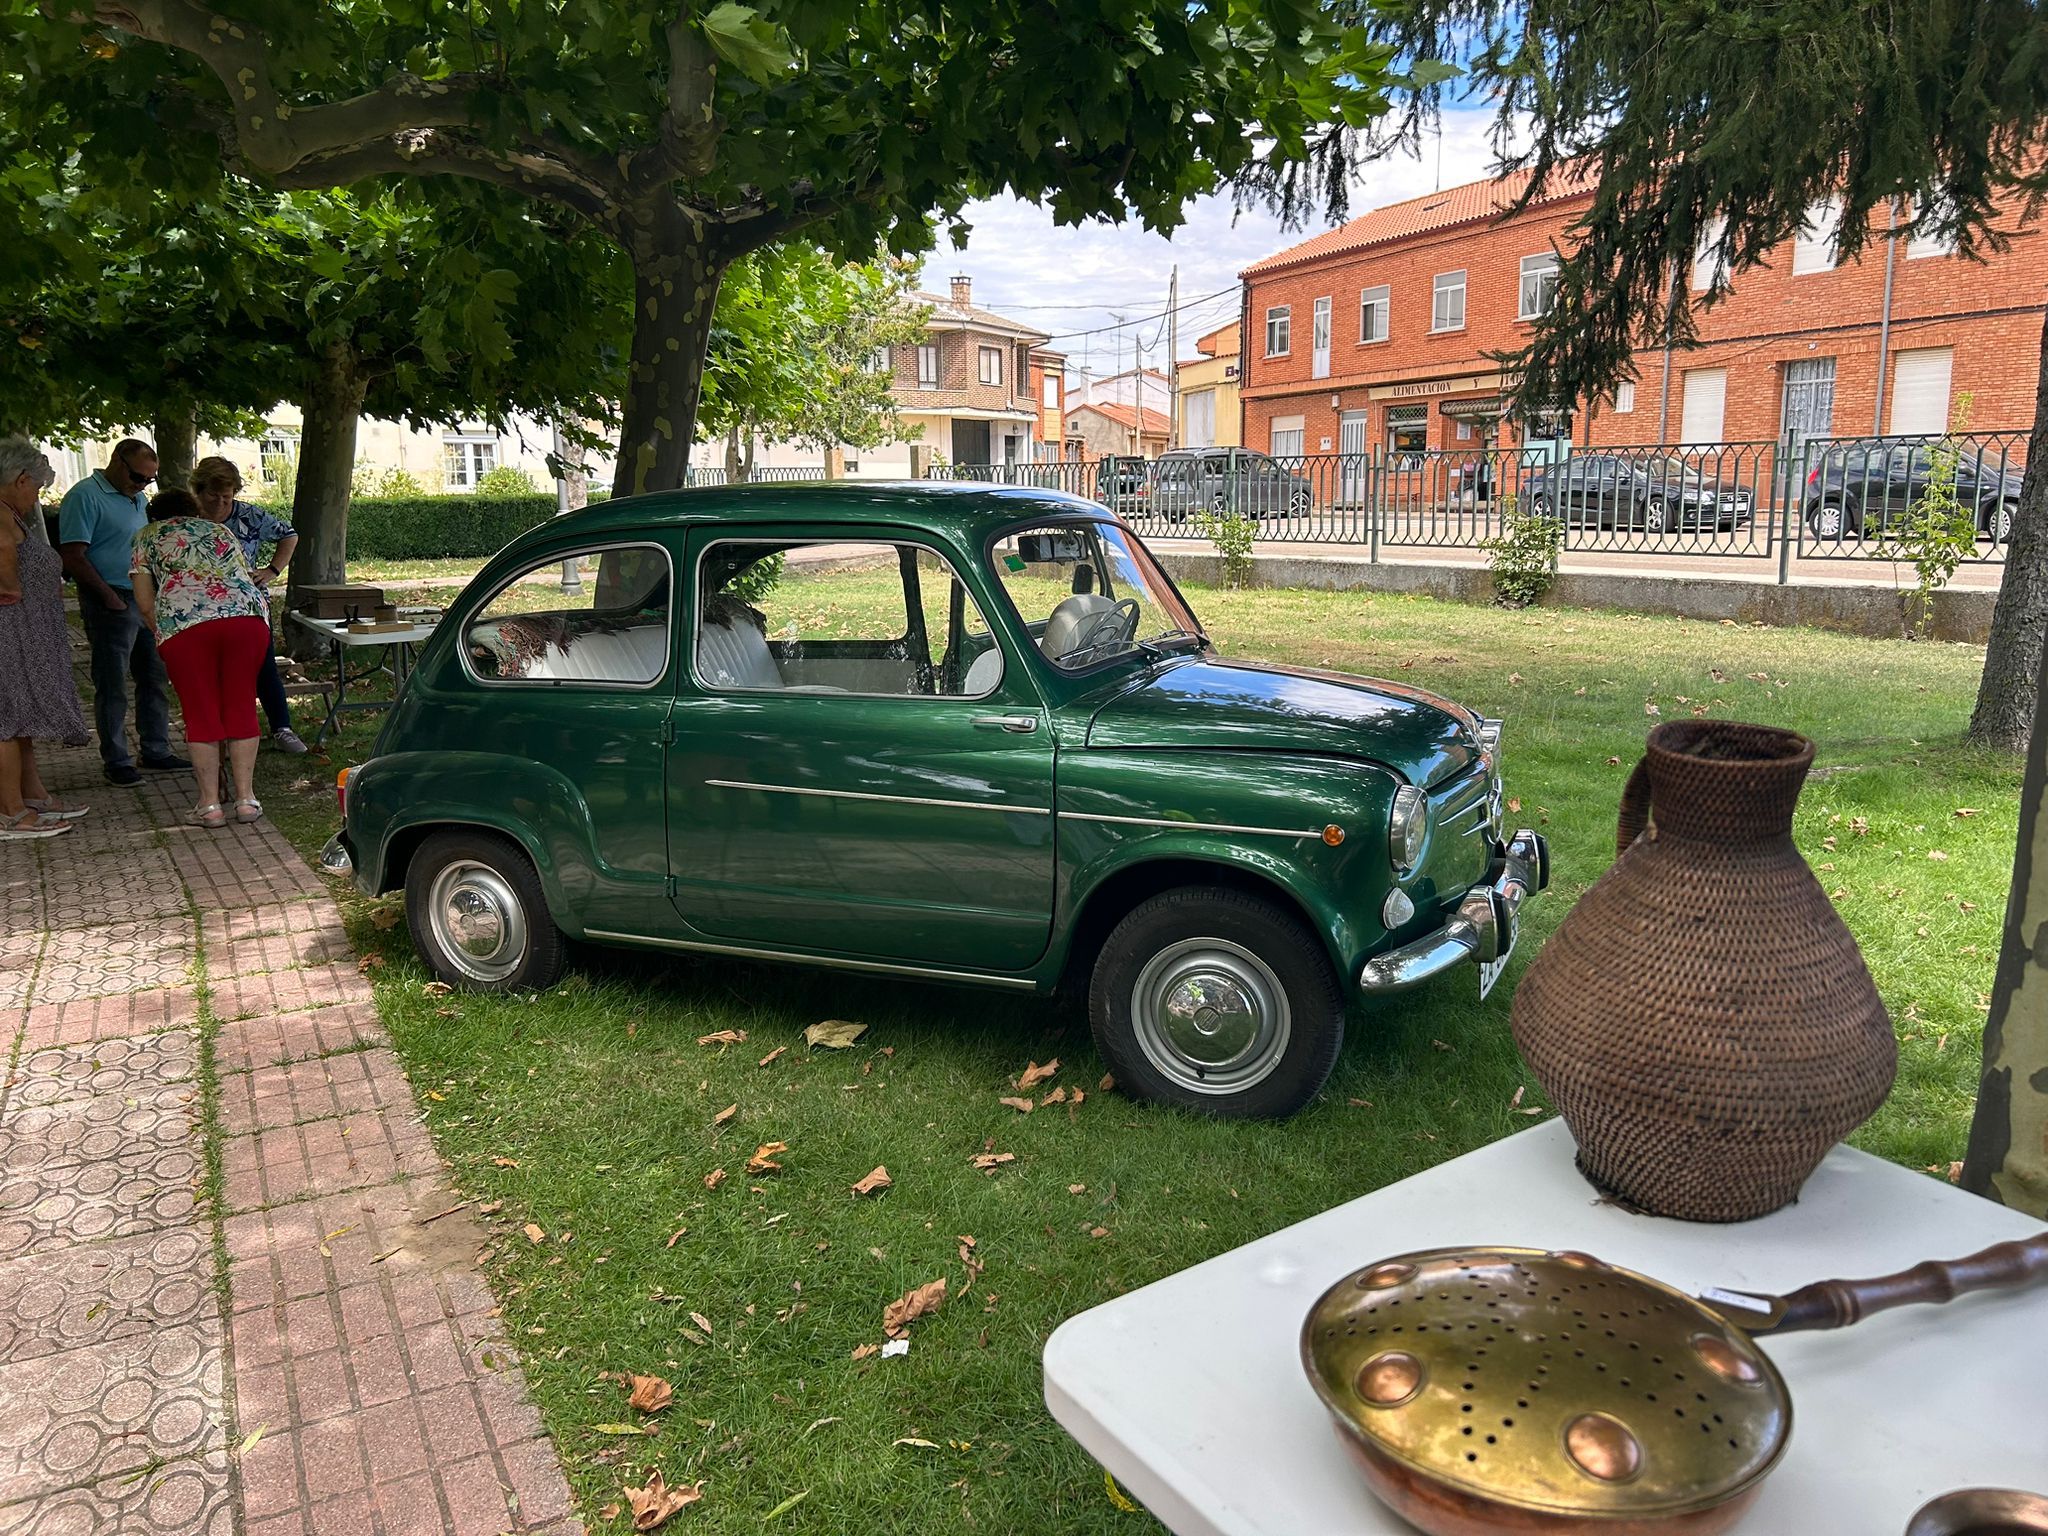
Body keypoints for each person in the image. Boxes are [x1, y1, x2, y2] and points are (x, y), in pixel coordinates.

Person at [130, 488, 272, 828]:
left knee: (201, 711)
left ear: (154, 515)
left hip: (185, 624)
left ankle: (209, 806)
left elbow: (145, 602)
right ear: (194, 510)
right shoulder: (220, 530)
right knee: (240, 704)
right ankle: (247, 801)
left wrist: (162, 631)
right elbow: (242, 576)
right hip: (246, 621)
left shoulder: (146, 537)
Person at [58, 438, 189, 786]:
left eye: (149, 479)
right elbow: (72, 555)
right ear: (116, 461)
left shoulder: (139, 498)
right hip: (110, 599)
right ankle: (116, 759)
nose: (142, 484)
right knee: (112, 682)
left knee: (154, 677)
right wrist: (107, 598)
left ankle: (156, 749)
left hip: (144, 596)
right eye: (137, 476)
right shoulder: (84, 496)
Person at [0, 436, 91, 839]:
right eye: (36, 488)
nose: (36, 497)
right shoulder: (1, 515)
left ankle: (32, 795)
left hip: (24, 630)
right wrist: (12, 588)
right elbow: (3, 549)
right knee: (6, 719)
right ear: (19, 479)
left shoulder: (9, 513)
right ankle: (12, 813)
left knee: (20, 719)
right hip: (10, 631)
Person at [190, 456, 307, 753]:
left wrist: (273, 570)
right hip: (199, 608)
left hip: (248, 606)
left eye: (226, 497)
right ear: (198, 491)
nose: (219, 503)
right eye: (212, 496)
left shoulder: (248, 516)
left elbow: (289, 535)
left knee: (262, 666)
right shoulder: (187, 518)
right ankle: (220, 735)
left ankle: (282, 728)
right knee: (212, 672)